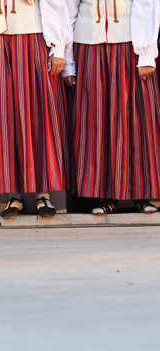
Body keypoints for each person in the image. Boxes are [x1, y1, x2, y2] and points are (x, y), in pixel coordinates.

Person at [0, 0, 71, 219]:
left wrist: (58, 47)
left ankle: (43, 194)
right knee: (3, 118)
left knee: (36, 115)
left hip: (32, 41)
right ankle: (13, 195)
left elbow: (55, 6)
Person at [65, 0, 160, 215]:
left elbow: (148, 5)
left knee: (135, 119)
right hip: (88, 45)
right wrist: (68, 59)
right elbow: (68, 10)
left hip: (128, 45)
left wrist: (146, 53)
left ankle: (140, 196)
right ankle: (105, 196)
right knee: (96, 120)